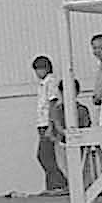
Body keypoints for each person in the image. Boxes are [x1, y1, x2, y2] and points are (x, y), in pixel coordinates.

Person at [33, 56, 69, 194]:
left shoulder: (51, 82)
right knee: (47, 155)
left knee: (44, 155)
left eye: (40, 69)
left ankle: (60, 183)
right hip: (41, 122)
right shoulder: (42, 84)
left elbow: (52, 103)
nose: (38, 72)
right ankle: (53, 184)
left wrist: (50, 124)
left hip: (47, 123)